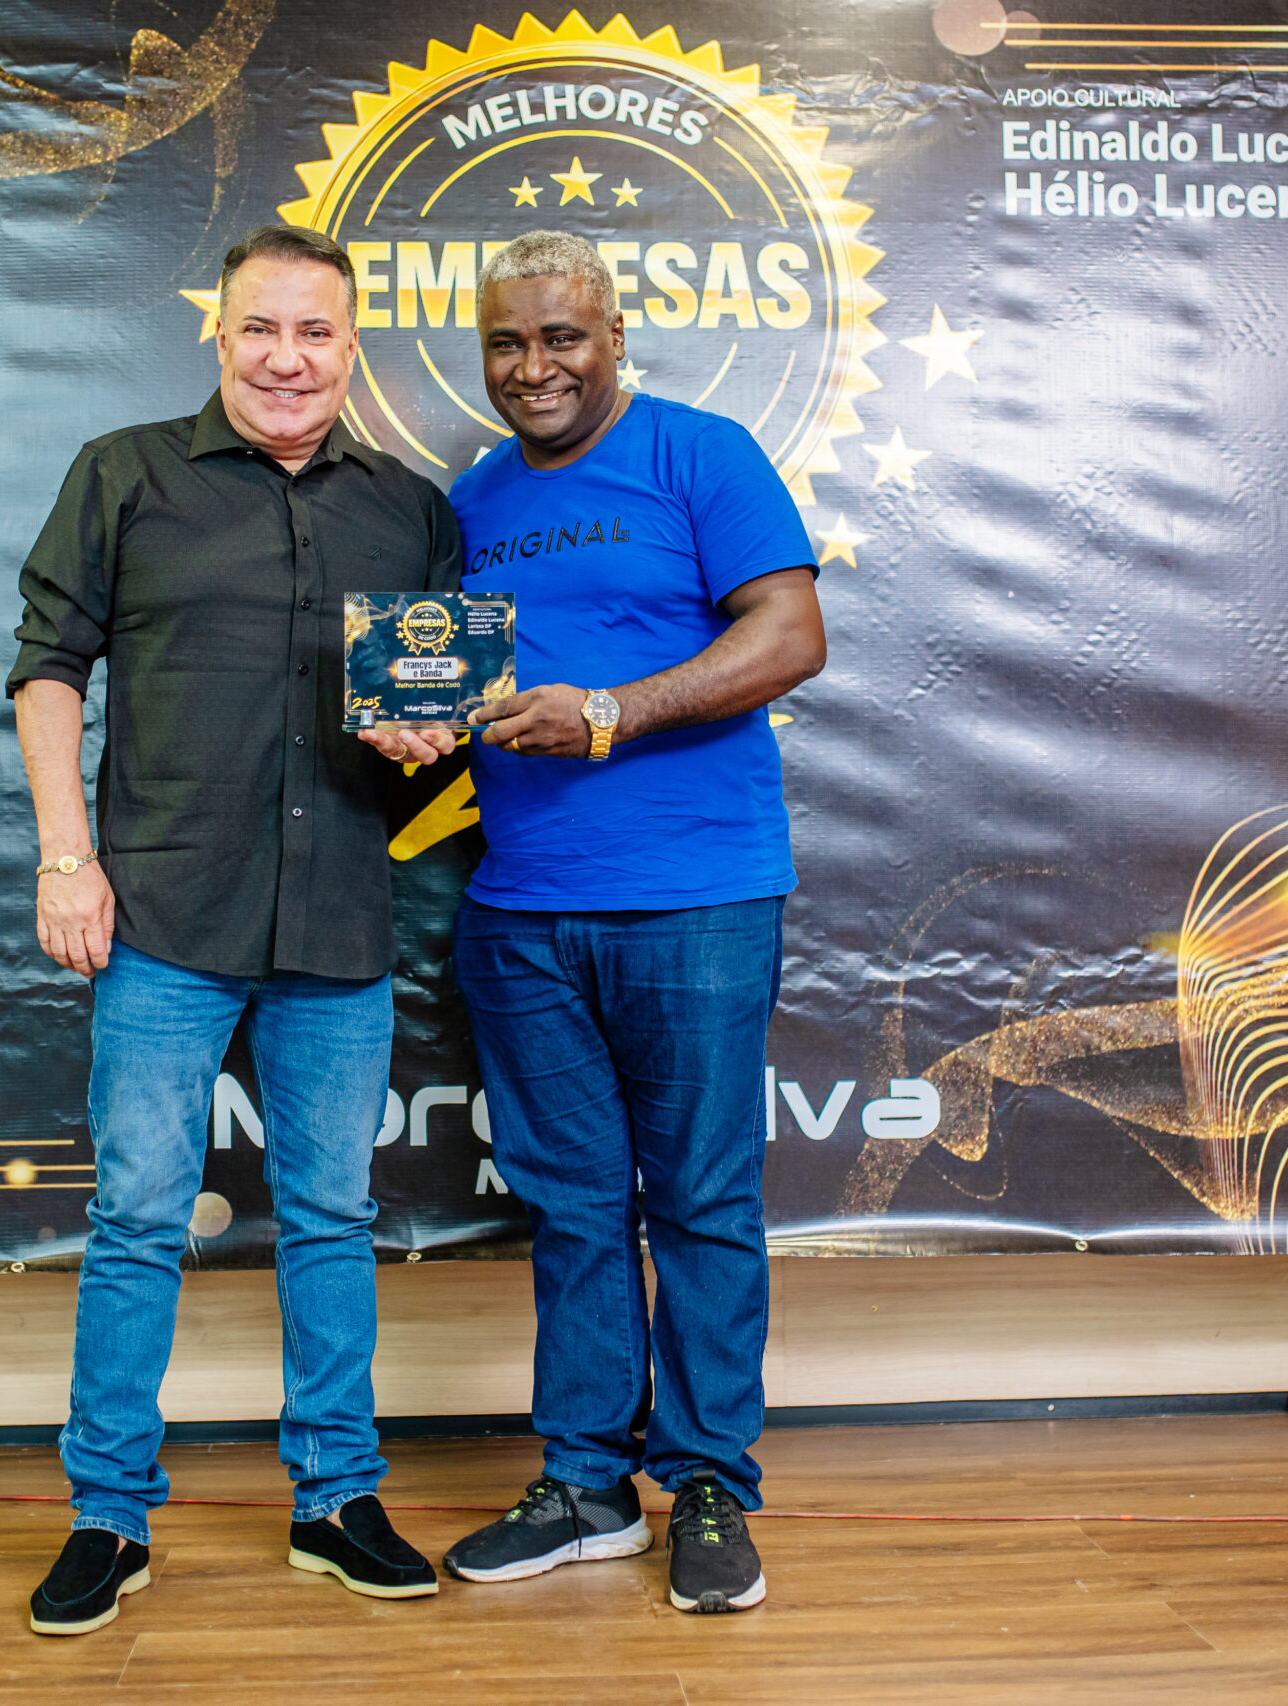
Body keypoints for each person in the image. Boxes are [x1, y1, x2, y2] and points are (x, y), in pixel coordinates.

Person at [7, 224, 460, 1635]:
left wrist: (426, 739)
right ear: (219, 333)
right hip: (162, 917)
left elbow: (434, 727)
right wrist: (66, 858)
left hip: (339, 922)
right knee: (138, 1220)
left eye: (315, 332)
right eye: (261, 327)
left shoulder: (411, 509)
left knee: (332, 1219)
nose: (286, 357)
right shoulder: (124, 473)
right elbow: (46, 670)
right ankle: (107, 1515)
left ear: (351, 348)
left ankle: (337, 1499)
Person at [435, 231, 826, 1614]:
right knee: (571, 1206)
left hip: (698, 896)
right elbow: (442, 676)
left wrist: (611, 711)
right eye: (506, 342)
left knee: (703, 1200)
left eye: (561, 338)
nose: (532, 366)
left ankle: (709, 1482)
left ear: (613, 336)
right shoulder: (470, 497)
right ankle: (587, 1483)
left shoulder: (700, 454)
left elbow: (790, 635)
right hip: (519, 911)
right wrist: (408, 724)